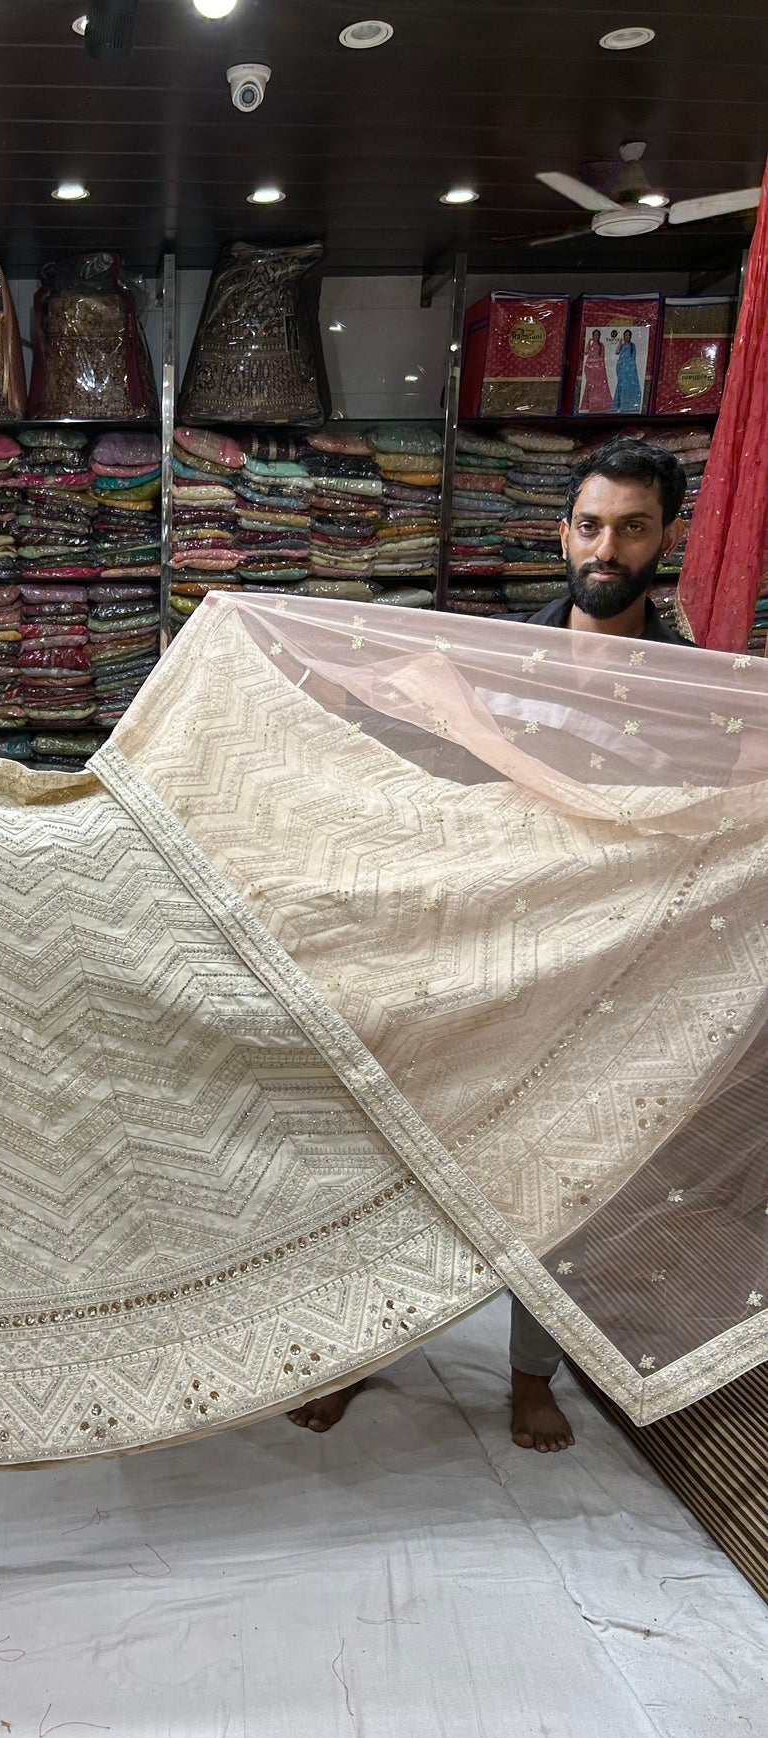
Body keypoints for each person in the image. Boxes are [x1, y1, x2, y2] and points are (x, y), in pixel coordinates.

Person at [291, 438, 691, 1455]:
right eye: (590, 524)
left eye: (631, 527)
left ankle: (527, 1373)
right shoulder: (496, 665)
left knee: (558, 1183)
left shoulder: (695, 689)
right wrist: (329, 693)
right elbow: (414, 772)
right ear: (561, 532)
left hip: (607, 972)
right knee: (409, 1163)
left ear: (665, 538)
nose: (606, 547)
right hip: (484, 957)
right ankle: (356, 1352)